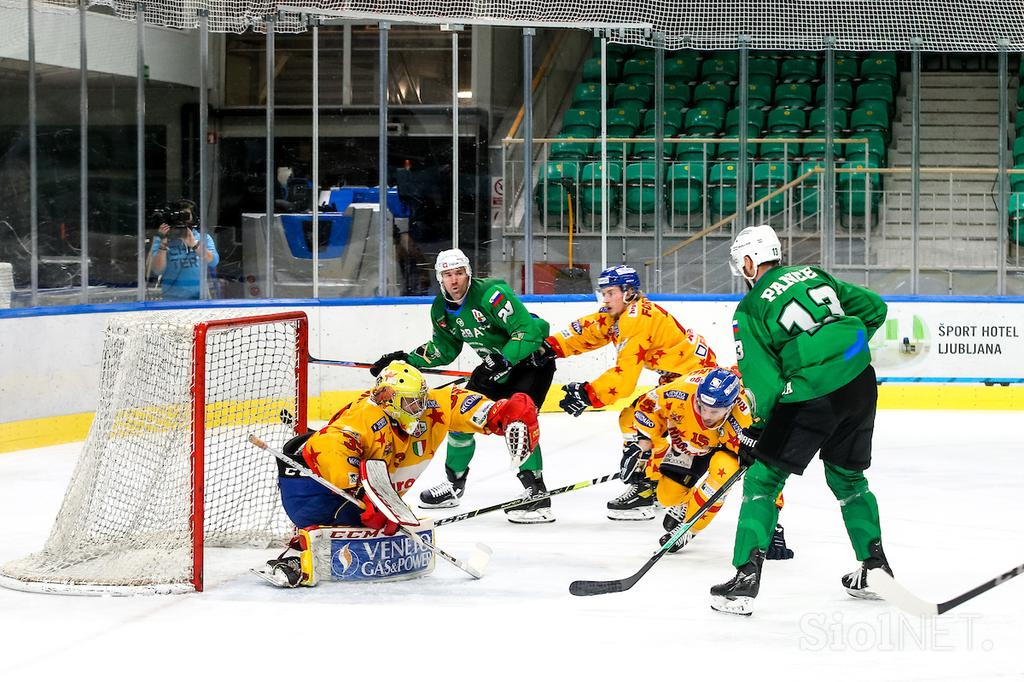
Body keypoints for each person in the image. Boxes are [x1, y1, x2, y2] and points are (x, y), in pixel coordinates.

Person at [710, 224, 890, 616]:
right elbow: (875, 309)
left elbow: (764, 383)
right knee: (848, 478)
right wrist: (844, 351)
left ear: (748, 261)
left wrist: (757, 429)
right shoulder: (816, 274)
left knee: (763, 479)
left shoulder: (752, 306)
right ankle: (875, 567)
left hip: (810, 394)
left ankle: (743, 581)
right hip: (859, 381)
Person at [267, 360, 539, 584]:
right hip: (317, 491)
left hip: (369, 492)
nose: (420, 409)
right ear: (390, 402)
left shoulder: (429, 408)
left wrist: (502, 413)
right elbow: (328, 446)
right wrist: (363, 497)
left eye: (421, 400)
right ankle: (301, 549)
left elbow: (458, 402)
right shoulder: (365, 416)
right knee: (346, 516)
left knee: (381, 523)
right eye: (412, 403)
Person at [370, 248, 557, 523]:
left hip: (531, 365)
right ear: (440, 277)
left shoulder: (491, 294)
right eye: (448, 275)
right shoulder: (441, 309)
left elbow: (530, 330)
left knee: (518, 423)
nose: (454, 280)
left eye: (459, 273)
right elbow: (444, 349)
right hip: (495, 370)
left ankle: (537, 496)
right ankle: (454, 485)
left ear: (468, 273)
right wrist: (406, 360)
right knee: (459, 419)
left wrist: (503, 359)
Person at [529, 264, 718, 520]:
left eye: (610, 293)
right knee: (640, 421)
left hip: (695, 385)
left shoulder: (636, 320)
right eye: (603, 293)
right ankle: (652, 482)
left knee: (636, 419)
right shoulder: (625, 313)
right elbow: (593, 328)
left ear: (628, 292)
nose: (605, 299)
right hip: (684, 379)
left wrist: (588, 393)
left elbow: (624, 379)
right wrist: (551, 347)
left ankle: (646, 489)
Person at [628, 366, 791, 558]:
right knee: (666, 497)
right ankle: (685, 504)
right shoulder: (681, 390)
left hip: (729, 449)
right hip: (693, 441)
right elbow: (648, 404)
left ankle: (689, 529)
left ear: (730, 407)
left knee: (725, 472)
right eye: (701, 407)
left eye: (714, 412)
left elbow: (768, 472)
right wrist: (643, 442)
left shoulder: (749, 415)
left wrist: (770, 522)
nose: (706, 415)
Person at [149, 199, 219, 301]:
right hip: (171, 298)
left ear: (194, 217)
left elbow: (213, 262)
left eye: (185, 215)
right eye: (178, 216)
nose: (181, 220)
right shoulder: (161, 239)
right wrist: (163, 243)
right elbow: (157, 270)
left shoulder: (203, 238)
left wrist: (194, 245)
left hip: (200, 297)